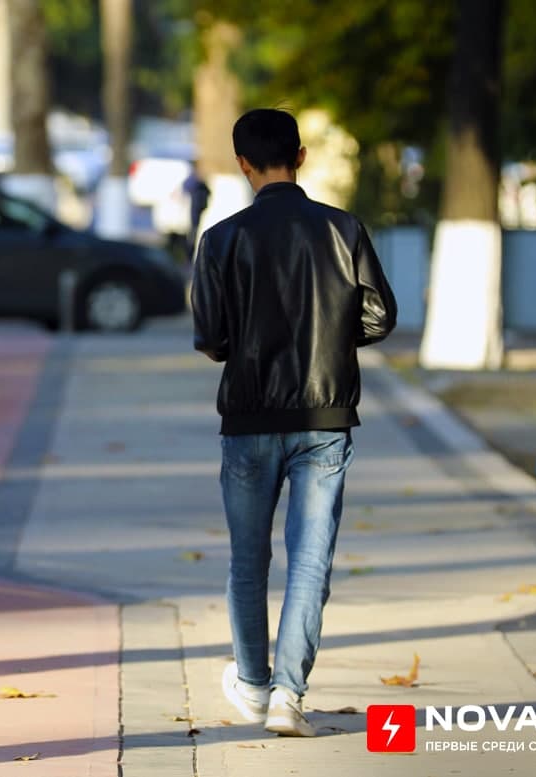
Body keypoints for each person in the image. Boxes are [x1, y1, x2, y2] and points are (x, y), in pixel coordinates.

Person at [190, 109, 397, 737]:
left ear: (242, 164)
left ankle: (252, 686)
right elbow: (379, 317)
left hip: (248, 417)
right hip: (324, 416)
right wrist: (331, 338)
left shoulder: (221, 240)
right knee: (311, 562)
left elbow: (211, 339)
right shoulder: (343, 229)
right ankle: (289, 696)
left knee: (248, 561)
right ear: (300, 157)